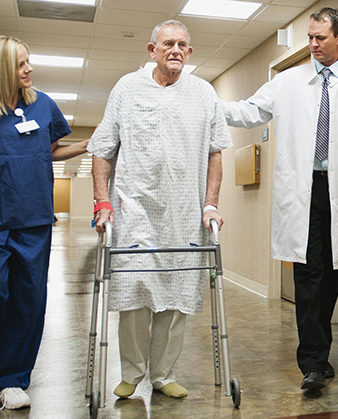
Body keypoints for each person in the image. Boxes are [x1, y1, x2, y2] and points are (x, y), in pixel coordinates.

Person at [221, 7, 338, 391]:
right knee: (307, 272)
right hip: (304, 190)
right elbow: (250, 111)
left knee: (333, 270)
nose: (313, 45)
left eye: (320, 38)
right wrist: (207, 105)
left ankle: (321, 352)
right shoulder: (287, 81)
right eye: (310, 38)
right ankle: (312, 362)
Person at [89, 20, 232, 400]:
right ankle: (132, 374)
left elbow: (215, 152)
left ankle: (163, 375)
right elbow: (103, 149)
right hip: (134, 210)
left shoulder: (204, 93)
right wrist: (102, 201)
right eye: (168, 43)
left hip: (185, 212)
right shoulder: (126, 88)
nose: (176, 50)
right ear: (151, 49)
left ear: (189, 52)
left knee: (177, 295)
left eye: (183, 45)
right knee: (135, 292)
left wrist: (210, 203)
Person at [0, 35, 89, 410]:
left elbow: (53, 149)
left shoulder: (42, 105)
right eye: (21, 64)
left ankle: (11, 378)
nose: (29, 69)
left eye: (28, 61)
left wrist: (91, 143)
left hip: (34, 217)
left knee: (29, 298)